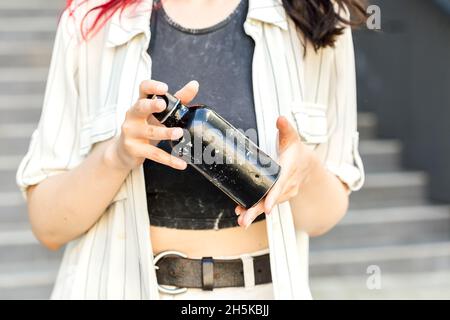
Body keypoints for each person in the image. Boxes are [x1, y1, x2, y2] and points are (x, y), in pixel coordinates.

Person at [17, 0, 366, 299]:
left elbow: (322, 218)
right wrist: (116, 156)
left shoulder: (317, 15)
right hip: (115, 286)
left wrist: (303, 171)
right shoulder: (92, 18)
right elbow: (48, 226)